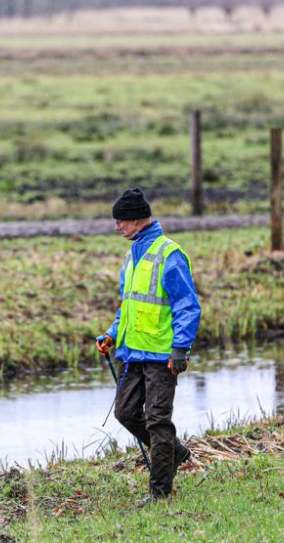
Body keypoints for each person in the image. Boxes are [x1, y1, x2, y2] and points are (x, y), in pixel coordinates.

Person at [95, 187, 202, 501]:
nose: (117, 227)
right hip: (132, 354)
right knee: (125, 413)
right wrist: (112, 334)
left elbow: (188, 306)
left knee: (157, 421)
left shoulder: (170, 255)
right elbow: (128, 305)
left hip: (161, 355)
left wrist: (181, 348)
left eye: (121, 222)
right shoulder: (132, 256)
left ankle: (159, 493)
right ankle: (174, 451)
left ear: (136, 220)